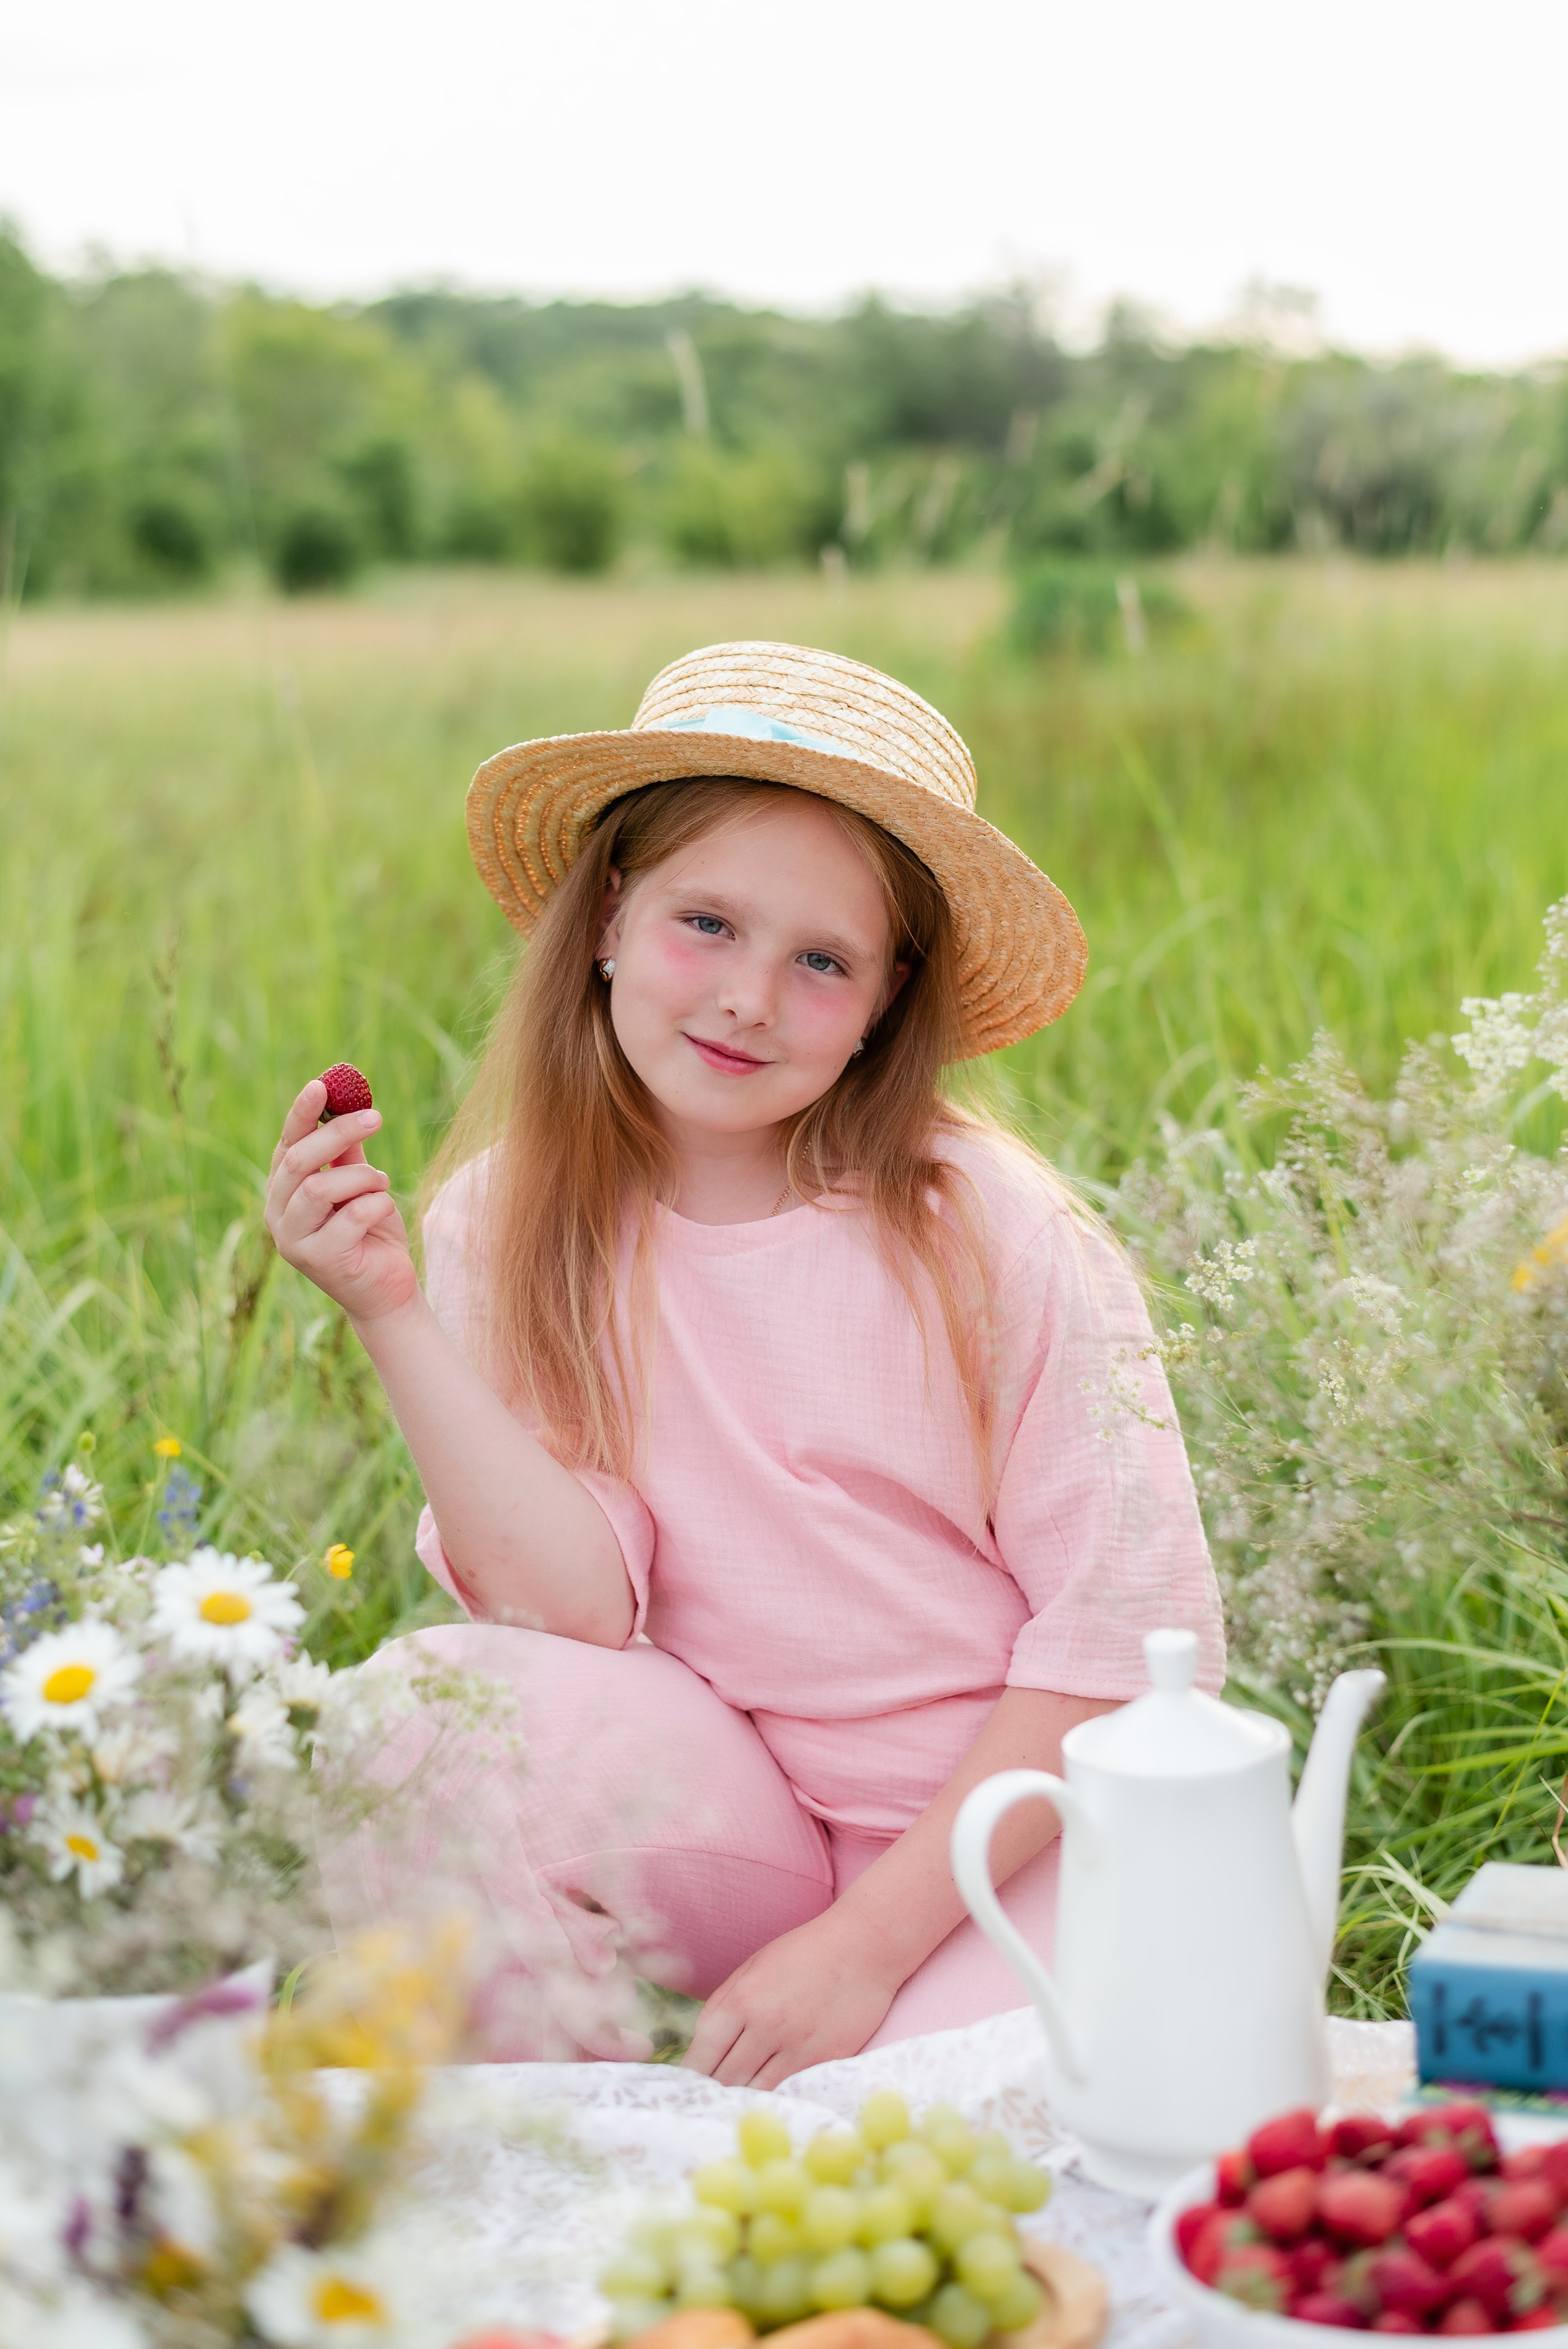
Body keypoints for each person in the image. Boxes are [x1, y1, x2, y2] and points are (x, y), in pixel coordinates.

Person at [265, 639, 1223, 2085]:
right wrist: (390, 1311)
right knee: (418, 1717)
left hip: (1000, 1823)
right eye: (704, 924)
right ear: (604, 916)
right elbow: (565, 1609)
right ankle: (538, 2149)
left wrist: (860, 1952)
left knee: (935, 2147)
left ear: (888, 1003)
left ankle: (863, 2046)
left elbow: (1121, 1649)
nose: (747, 999)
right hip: (741, 1812)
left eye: (820, 961)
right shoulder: (504, 1222)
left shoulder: (991, 1232)